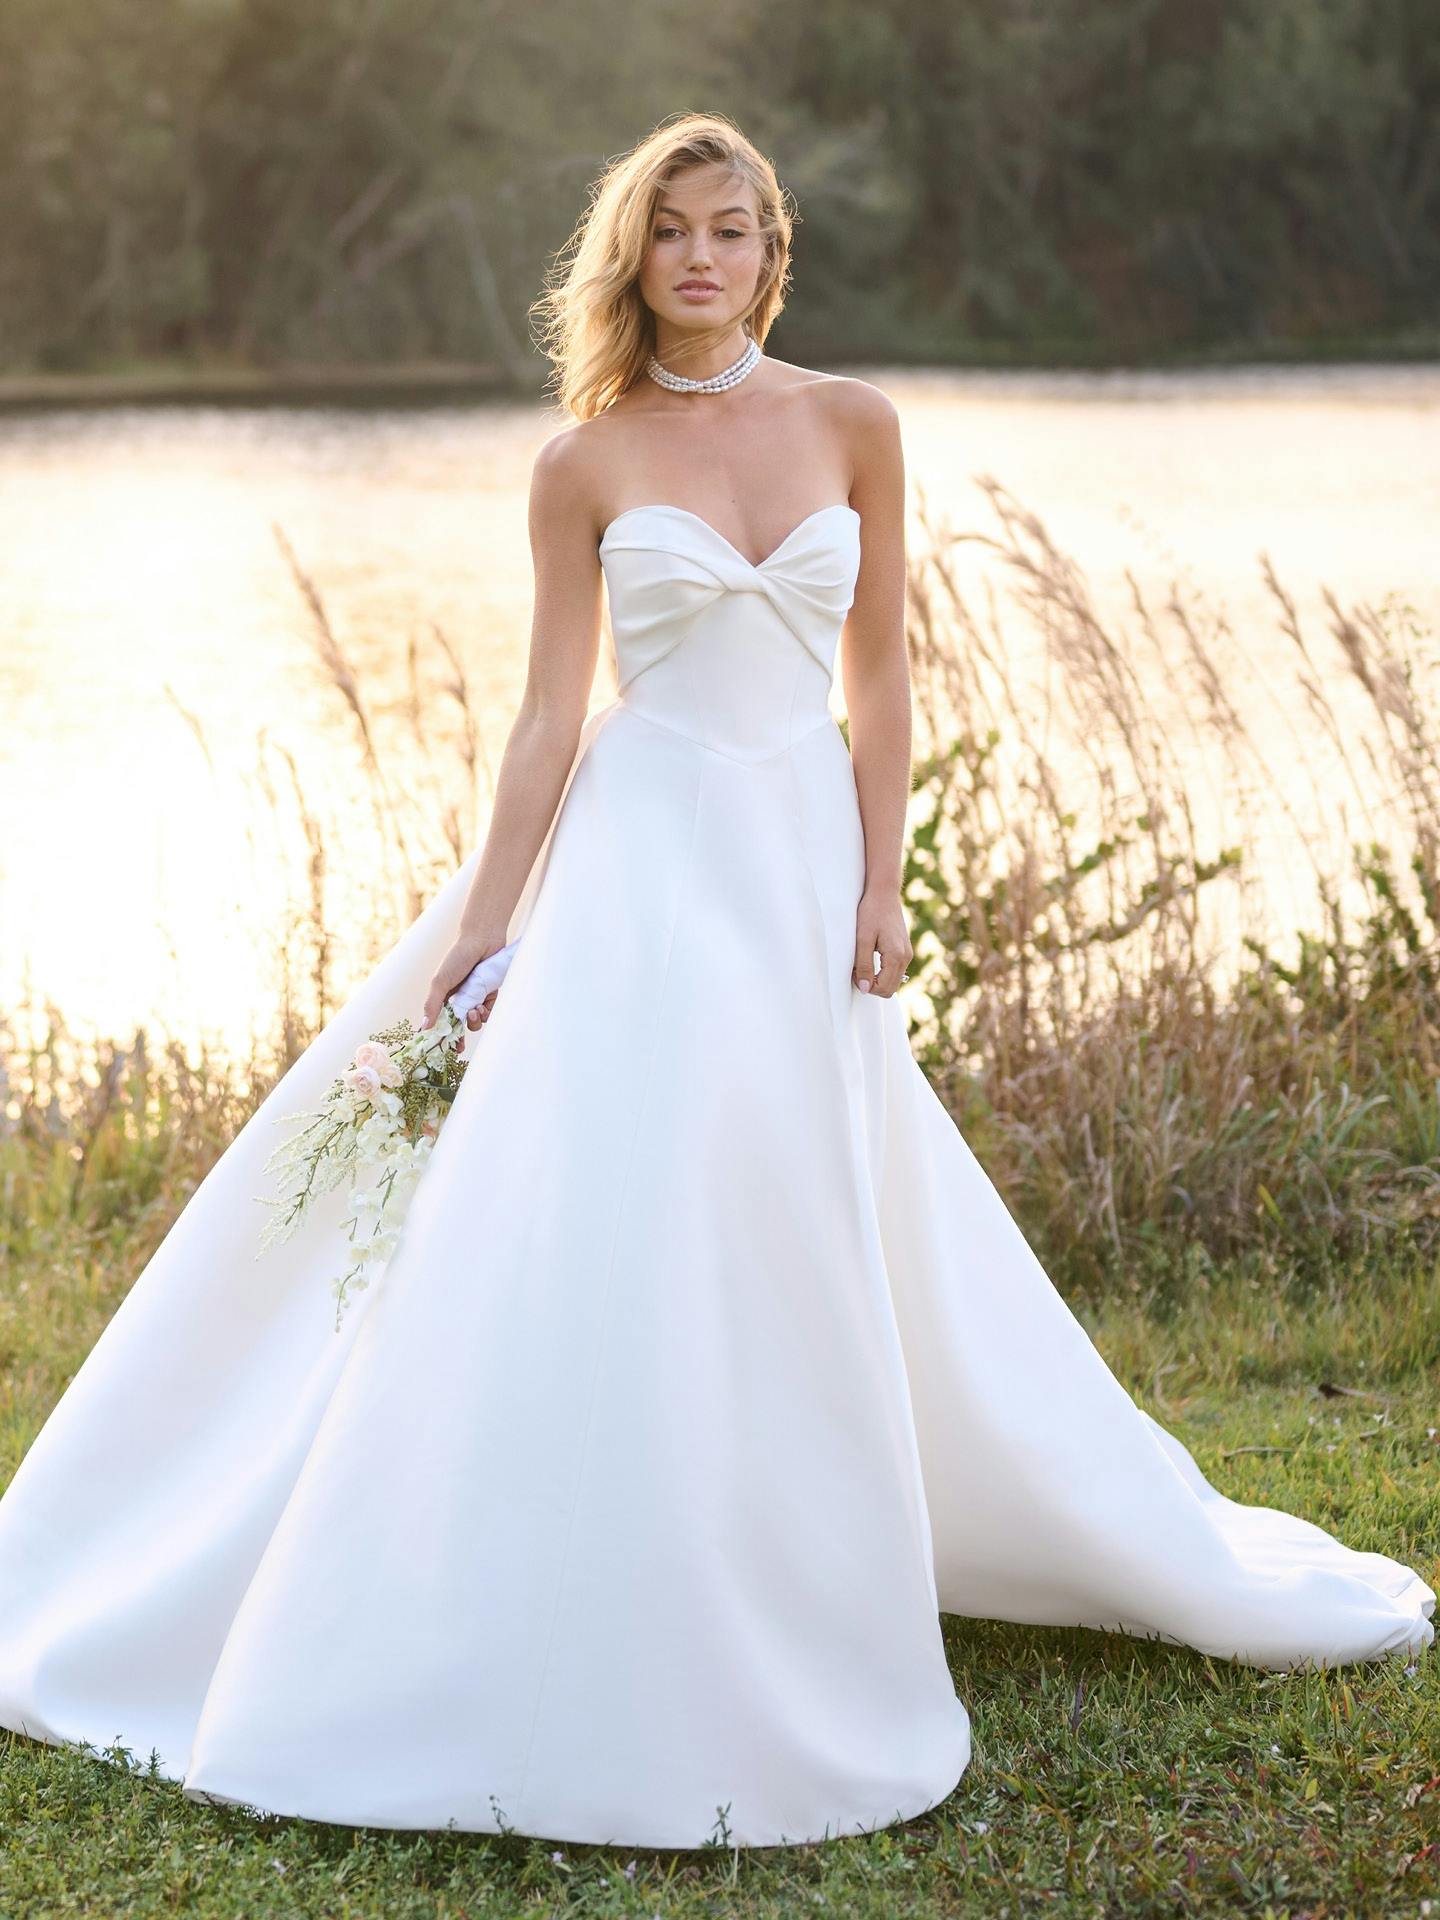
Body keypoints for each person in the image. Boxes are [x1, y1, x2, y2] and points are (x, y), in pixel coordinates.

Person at [0, 111, 1431, 1854]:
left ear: (771, 251)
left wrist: (883, 879)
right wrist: (479, 931)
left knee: (794, 1189)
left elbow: (883, 680)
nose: (701, 256)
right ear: (635, 257)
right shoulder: (582, 463)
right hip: (639, 860)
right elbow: (550, 716)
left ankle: (795, 1548)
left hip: (797, 859)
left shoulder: (857, 424)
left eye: (731, 228)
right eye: (672, 229)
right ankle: (577, 1563)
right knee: (622, 1198)